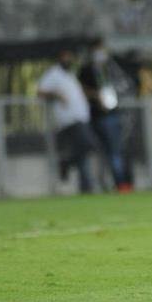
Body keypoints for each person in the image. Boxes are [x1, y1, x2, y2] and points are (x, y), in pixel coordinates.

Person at [37, 48, 97, 194]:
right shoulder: (53, 74)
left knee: (83, 153)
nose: (69, 60)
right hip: (69, 120)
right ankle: (66, 163)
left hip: (81, 117)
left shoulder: (70, 75)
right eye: (66, 57)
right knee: (88, 144)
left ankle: (86, 186)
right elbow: (40, 92)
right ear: (60, 57)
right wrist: (57, 95)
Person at [78, 39, 133, 192]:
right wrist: (96, 96)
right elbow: (81, 89)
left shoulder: (110, 69)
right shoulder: (86, 70)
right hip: (97, 116)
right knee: (105, 152)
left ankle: (121, 183)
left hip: (113, 115)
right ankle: (112, 183)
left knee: (116, 151)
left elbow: (123, 86)